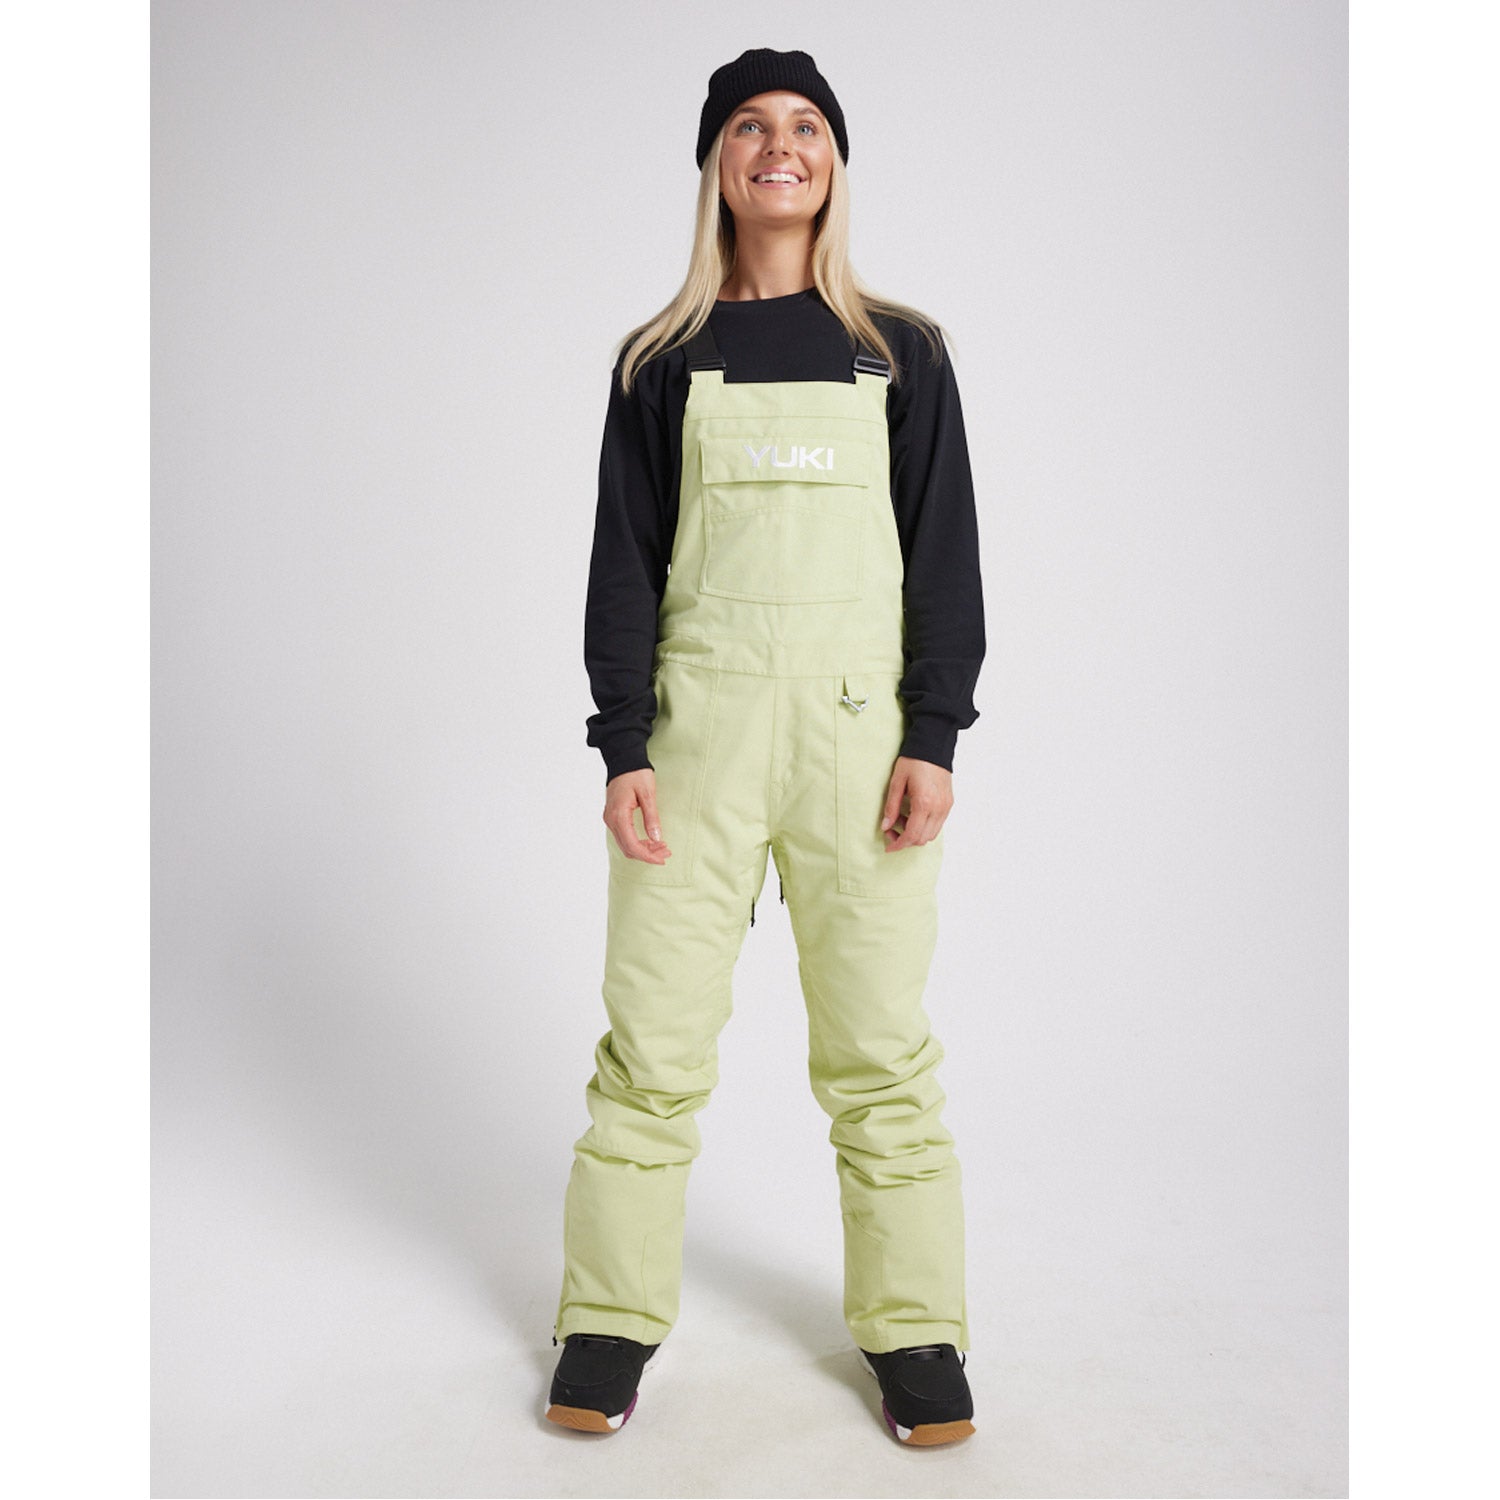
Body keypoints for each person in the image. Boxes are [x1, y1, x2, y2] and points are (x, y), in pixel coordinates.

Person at [546, 47, 986, 1447]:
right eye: (749, 125)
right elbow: (623, 567)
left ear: (834, 161)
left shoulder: (901, 352)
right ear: (717, 162)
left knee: (880, 1052)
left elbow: (945, 558)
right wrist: (624, 745)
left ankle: (915, 1333)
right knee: (651, 1051)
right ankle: (607, 1321)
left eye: (805, 125)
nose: (779, 145)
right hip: (697, 743)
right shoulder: (659, 361)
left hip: (864, 749)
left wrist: (935, 733)